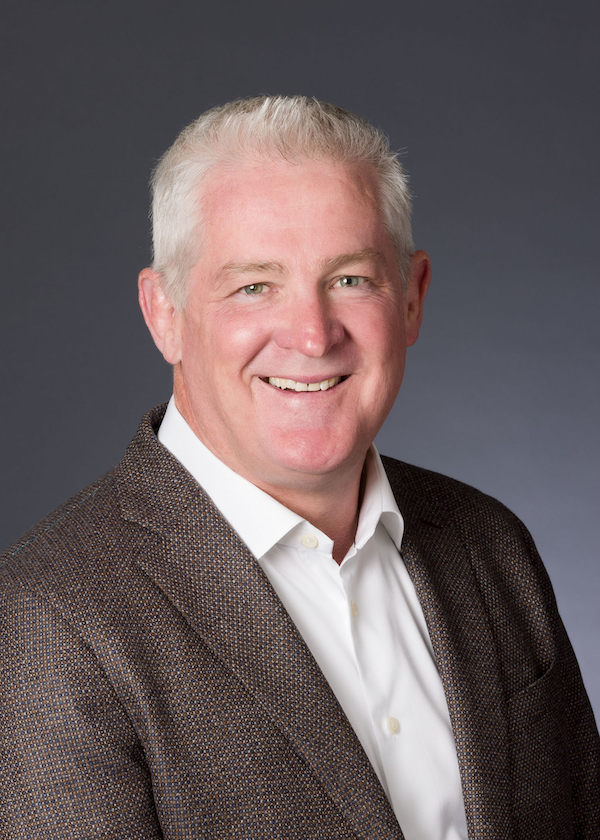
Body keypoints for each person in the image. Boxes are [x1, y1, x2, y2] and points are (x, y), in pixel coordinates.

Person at [0, 96, 598, 840]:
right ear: (166, 314)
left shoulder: (489, 545)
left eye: (351, 278)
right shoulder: (48, 615)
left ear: (411, 297)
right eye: (255, 286)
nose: (313, 335)